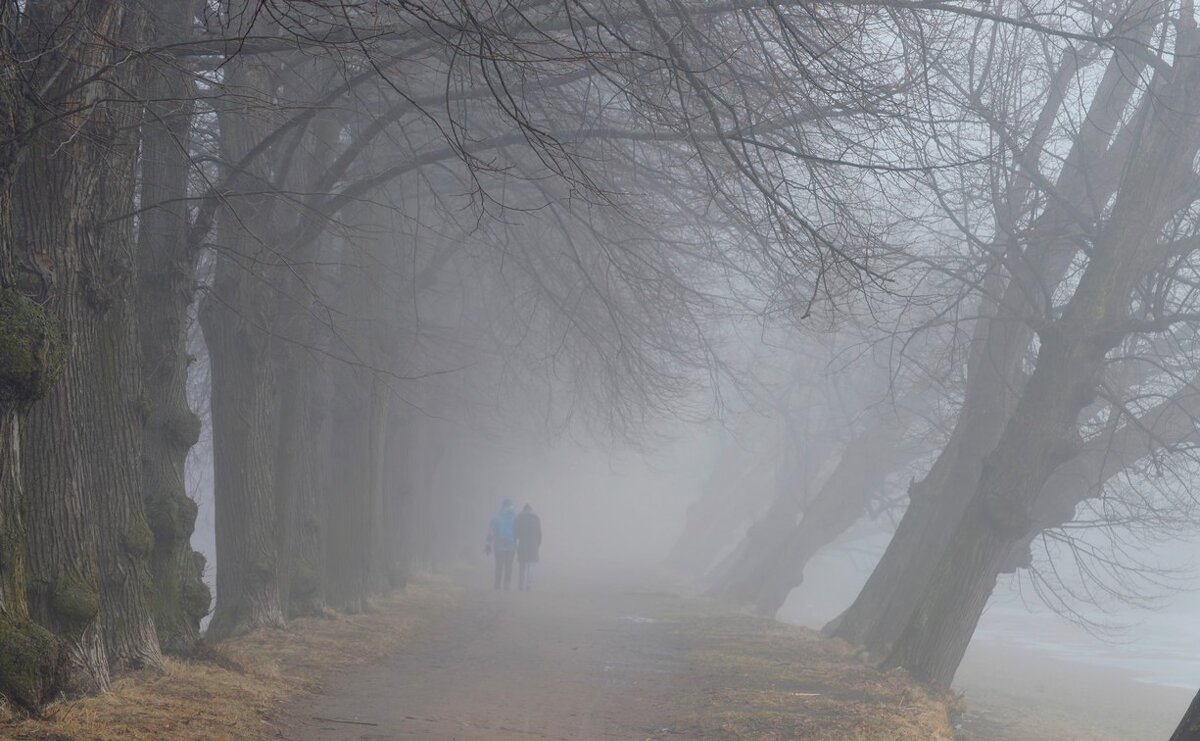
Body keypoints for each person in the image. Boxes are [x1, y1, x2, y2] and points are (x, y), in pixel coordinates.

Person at [485, 499, 518, 590]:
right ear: (512, 506)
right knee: (509, 566)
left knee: (499, 565)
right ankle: (507, 584)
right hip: (511, 546)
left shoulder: (496, 517)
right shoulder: (516, 518)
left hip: (499, 546)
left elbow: (491, 532)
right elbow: (519, 532)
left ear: (502, 506)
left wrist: (488, 543)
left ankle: (497, 584)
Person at [514, 504, 542, 592]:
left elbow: (516, 531)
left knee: (522, 565)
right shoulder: (536, 518)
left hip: (523, 544)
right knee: (531, 566)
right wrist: (538, 544)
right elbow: (539, 533)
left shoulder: (519, 517)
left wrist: (517, 540)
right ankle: (528, 584)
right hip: (533, 545)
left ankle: (521, 585)